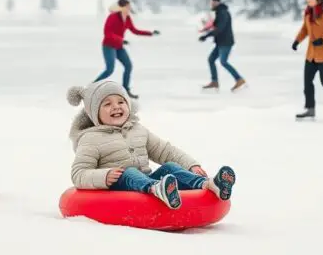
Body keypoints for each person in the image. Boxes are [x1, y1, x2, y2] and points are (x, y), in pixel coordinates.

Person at [67, 80, 236, 209]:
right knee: (129, 172)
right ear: (94, 113)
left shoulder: (138, 130)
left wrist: (191, 165)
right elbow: (79, 173)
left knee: (170, 167)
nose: (116, 107)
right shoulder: (90, 139)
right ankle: (157, 188)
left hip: (146, 182)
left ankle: (209, 184)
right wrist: (104, 176)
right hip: (118, 188)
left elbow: (165, 151)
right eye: (107, 104)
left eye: (121, 102)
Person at [93, 0, 158, 99]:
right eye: (127, 7)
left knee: (128, 66)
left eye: (129, 7)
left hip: (118, 47)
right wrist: (121, 40)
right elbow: (107, 33)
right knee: (109, 70)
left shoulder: (127, 18)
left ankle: (125, 90)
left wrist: (151, 33)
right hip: (109, 46)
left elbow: (135, 30)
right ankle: (92, 87)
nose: (129, 9)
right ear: (121, 7)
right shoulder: (112, 17)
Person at [199, 0, 246, 91]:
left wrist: (206, 36)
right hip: (221, 42)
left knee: (223, 62)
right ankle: (214, 82)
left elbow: (219, 28)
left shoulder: (223, 13)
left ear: (218, 2)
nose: (212, 4)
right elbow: (215, 26)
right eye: (212, 2)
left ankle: (239, 79)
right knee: (211, 59)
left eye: (214, 2)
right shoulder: (219, 12)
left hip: (226, 42)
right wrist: (206, 28)